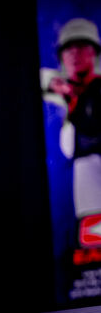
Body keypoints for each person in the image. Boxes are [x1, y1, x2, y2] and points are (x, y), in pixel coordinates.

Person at [46, 18, 101, 224]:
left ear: (93, 52)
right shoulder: (65, 93)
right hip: (86, 197)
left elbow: (90, 130)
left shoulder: (96, 91)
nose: (75, 55)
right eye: (69, 49)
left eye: (81, 47)